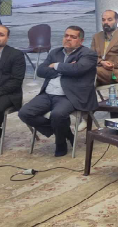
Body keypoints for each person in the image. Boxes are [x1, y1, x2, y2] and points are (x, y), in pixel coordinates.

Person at [19, 26, 98, 157]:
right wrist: (66, 69)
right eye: (66, 35)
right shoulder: (55, 52)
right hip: (48, 94)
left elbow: (78, 69)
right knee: (25, 113)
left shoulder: (88, 54)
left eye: (73, 37)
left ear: (81, 41)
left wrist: (56, 65)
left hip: (70, 95)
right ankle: (65, 132)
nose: (68, 39)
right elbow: (40, 71)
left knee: (58, 115)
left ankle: (60, 143)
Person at [0, 25, 25, 154]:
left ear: (7, 38)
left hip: (7, 92)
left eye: (1, 35)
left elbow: (16, 81)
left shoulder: (16, 55)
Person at [90, 10, 118, 86]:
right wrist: (101, 62)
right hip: (99, 71)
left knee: (88, 72)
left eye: (109, 20)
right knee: (80, 74)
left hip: (116, 73)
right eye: (103, 20)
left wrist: (112, 64)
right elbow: (91, 56)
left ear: (117, 21)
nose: (106, 22)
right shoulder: (96, 37)